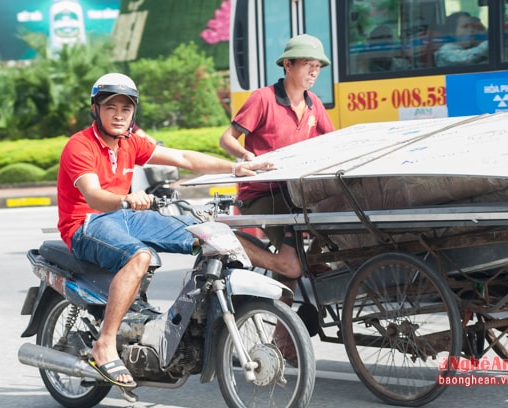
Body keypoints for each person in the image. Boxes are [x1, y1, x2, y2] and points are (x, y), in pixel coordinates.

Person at [57, 72, 303, 388]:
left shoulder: (132, 141)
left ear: (134, 112)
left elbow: (183, 157)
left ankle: (178, 326)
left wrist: (236, 168)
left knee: (208, 234)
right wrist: (126, 198)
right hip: (87, 222)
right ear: (95, 109)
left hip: (125, 215)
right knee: (141, 256)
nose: (119, 115)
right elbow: (93, 196)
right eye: (110, 107)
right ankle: (104, 344)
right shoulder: (80, 146)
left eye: (126, 108)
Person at [219, 34, 334, 362]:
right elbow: (227, 138)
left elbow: (332, 142)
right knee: (292, 262)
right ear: (287, 65)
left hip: (297, 194)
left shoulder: (314, 105)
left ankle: (285, 331)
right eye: (307, 65)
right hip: (261, 195)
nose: (313, 72)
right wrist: (246, 157)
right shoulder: (263, 98)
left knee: (329, 228)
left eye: (317, 66)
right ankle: (284, 338)